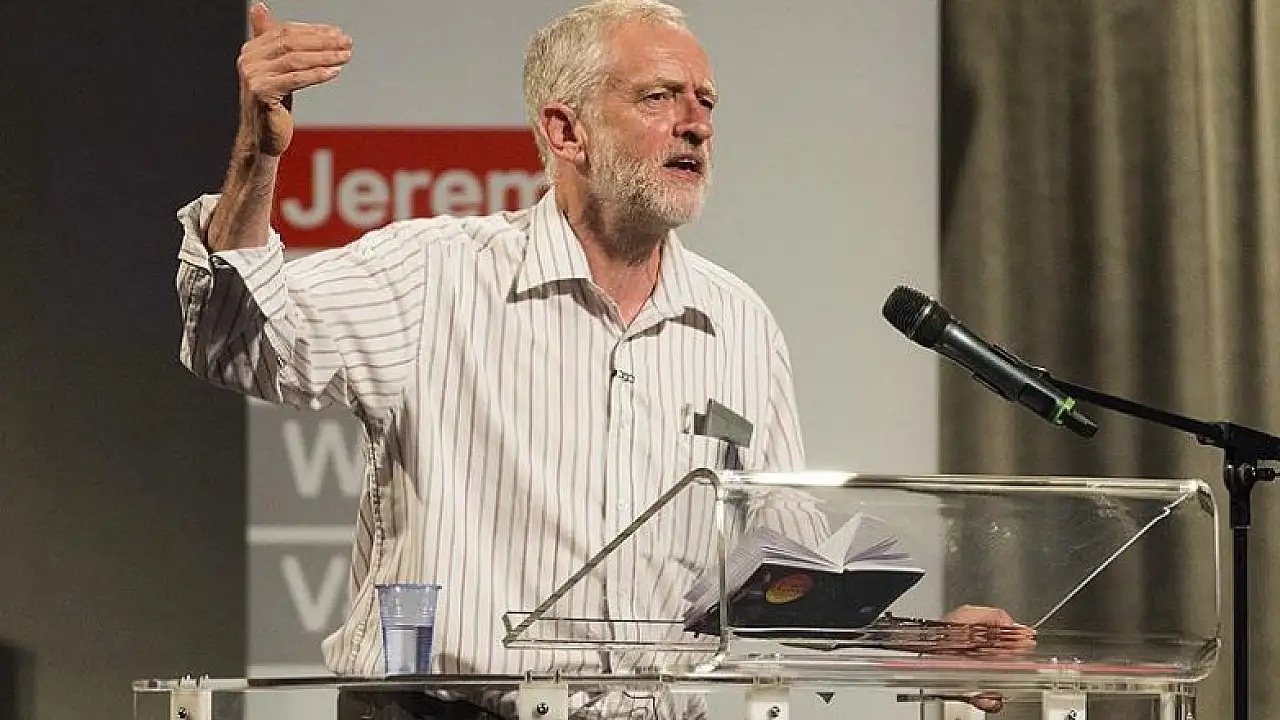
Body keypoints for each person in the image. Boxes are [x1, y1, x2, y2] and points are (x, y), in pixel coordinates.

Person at [175, 1, 1028, 717]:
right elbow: (237, 342)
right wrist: (259, 157)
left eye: (705, 101)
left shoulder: (737, 322)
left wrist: (926, 641)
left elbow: (780, 579)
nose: (696, 122)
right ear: (566, 129)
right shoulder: (436, 274)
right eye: (660, 97)